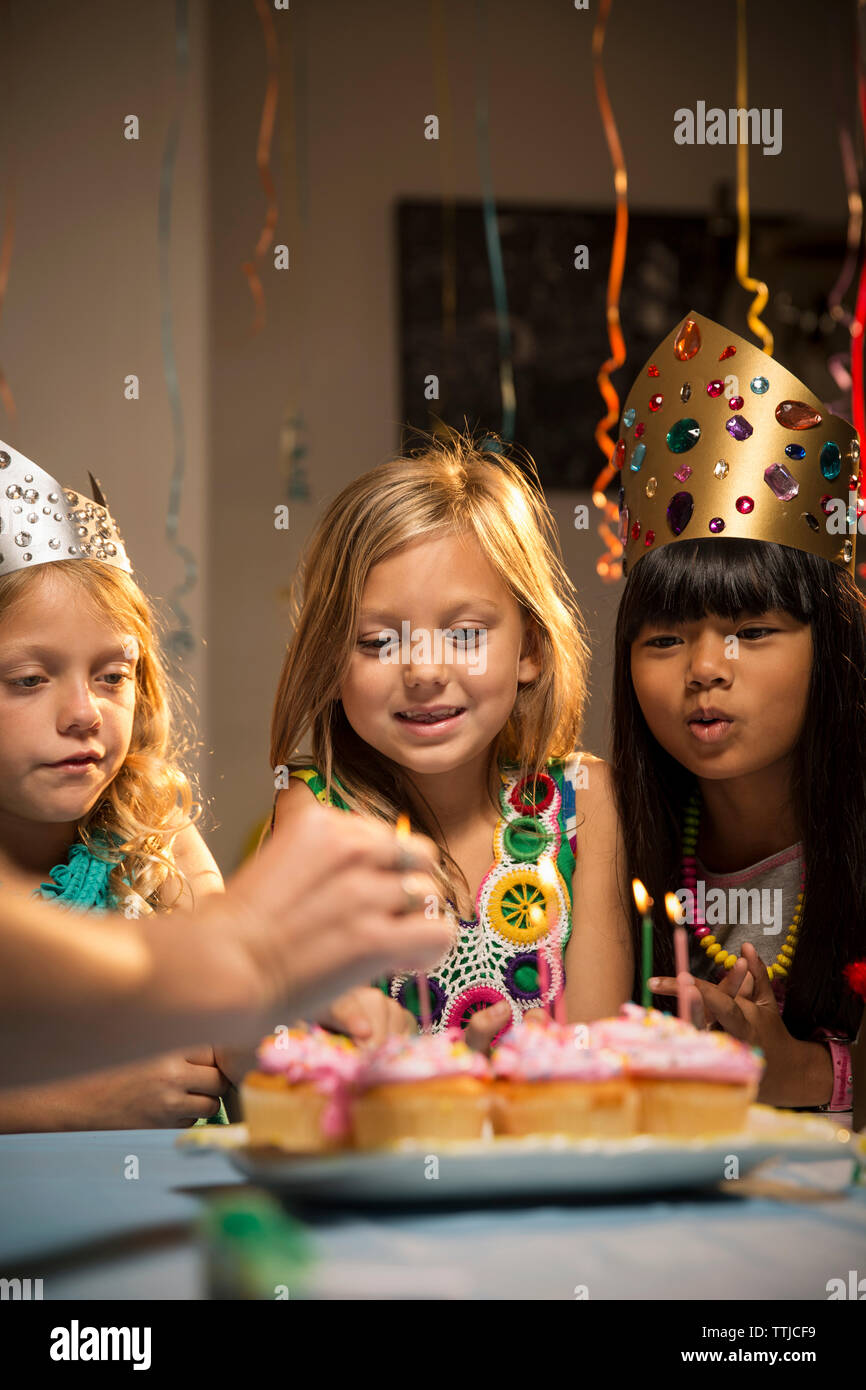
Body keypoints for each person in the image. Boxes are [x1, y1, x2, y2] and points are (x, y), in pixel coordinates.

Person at [265, 426, 633, 1052]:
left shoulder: (585, 804)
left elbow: (596, 1056)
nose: (425, 670)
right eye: (379, 641)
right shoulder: (314, 816)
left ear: (532, 649)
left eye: (464, 633)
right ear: (331, 661)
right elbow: (276, 1052)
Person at [609, 310, 865, 1111]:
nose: (705, 672)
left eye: (752, 632)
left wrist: (807, 1072)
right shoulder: (602, 838)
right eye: (664, 641)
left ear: (834, 646)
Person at [0, 798, 447, 1087]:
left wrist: (311, 1036)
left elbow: (231, 1041)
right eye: (28, 680)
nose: (86, 712)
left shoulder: (155, 830)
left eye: (113, 676)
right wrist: (67, 1107)